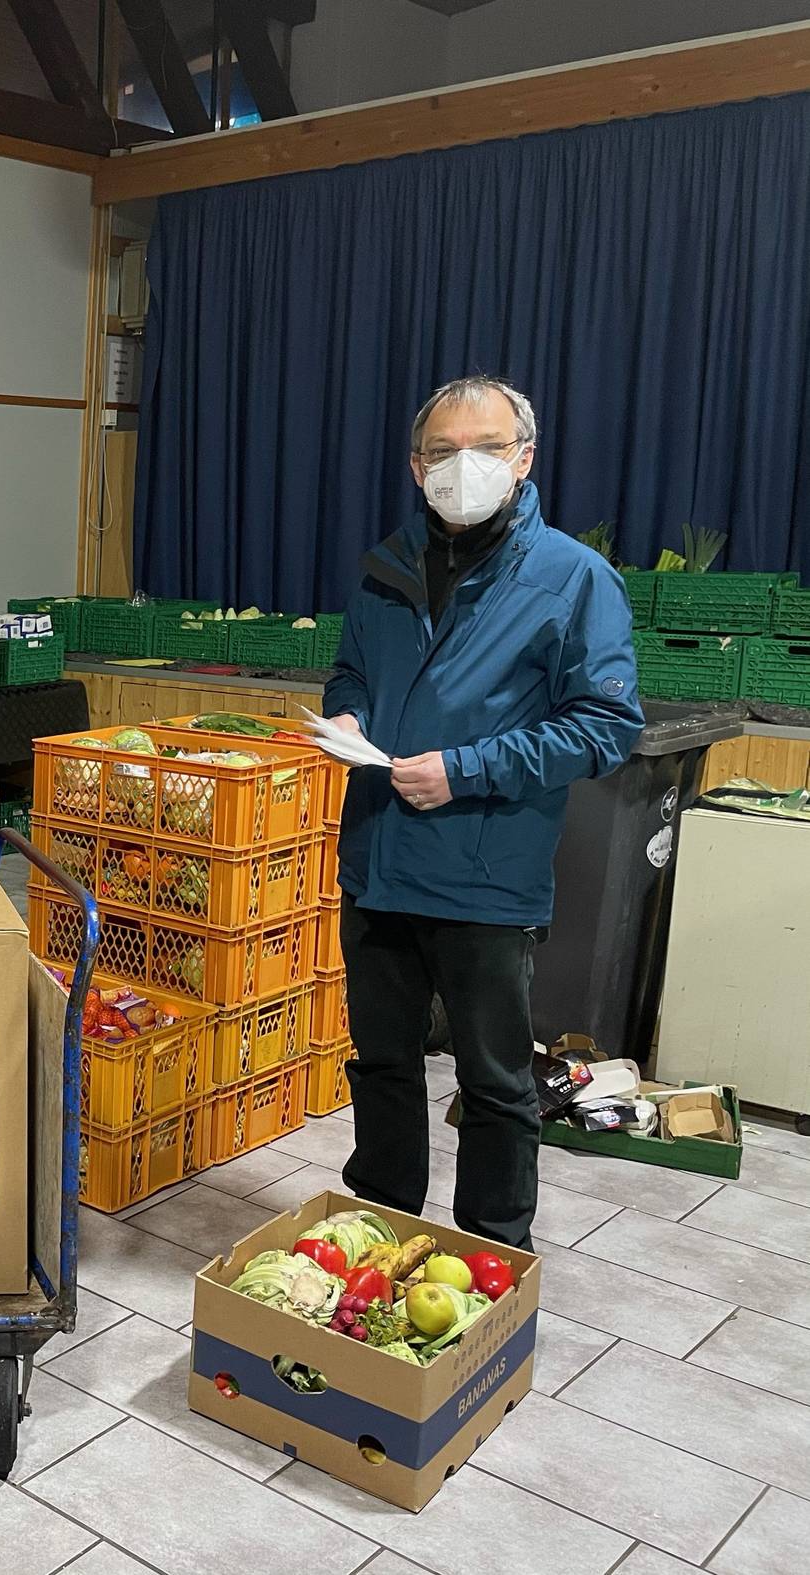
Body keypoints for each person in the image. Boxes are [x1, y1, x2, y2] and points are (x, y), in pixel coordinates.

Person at [325, 374, 643, 1250]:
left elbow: (607, 726)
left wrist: (466, 771)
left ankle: (494, 1252)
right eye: (441, 450)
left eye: (485, 447)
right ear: (414, 465)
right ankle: (379, 1233)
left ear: (524, 458)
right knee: (381, 1064)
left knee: (497, 1083)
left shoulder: (575, 580)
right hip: (378, 864)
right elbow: (353, 671)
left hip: (484, 877)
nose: (461, 466)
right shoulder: (385, 568)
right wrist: (350, 711)